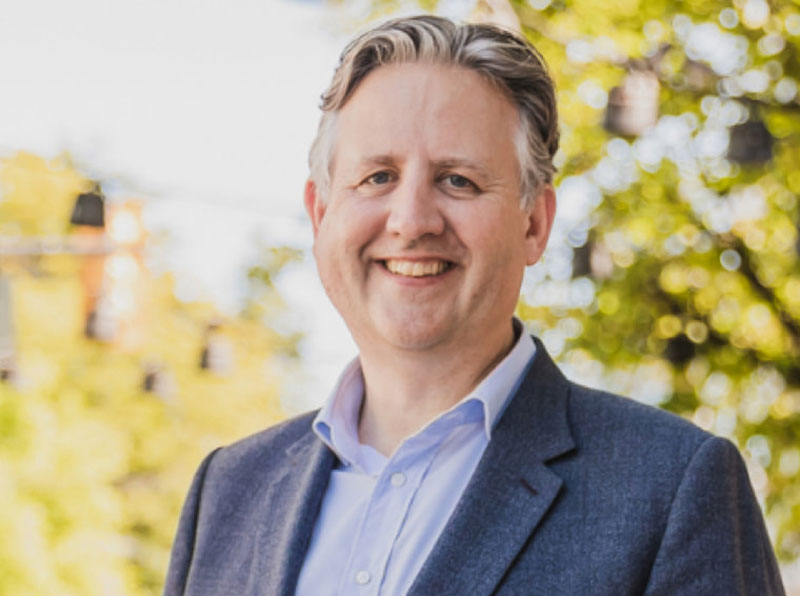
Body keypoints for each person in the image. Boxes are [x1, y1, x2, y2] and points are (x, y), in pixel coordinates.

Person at [164, 15, 785, 596]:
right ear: (321, 213)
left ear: (535, 224)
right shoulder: (228, 490)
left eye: (457, 180)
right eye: (377, 177)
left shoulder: (673, 487)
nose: (410, 221)